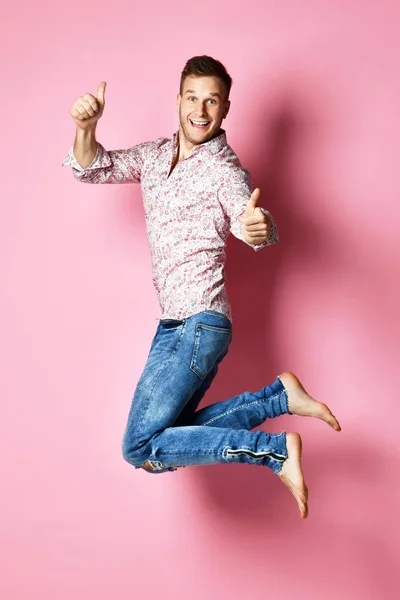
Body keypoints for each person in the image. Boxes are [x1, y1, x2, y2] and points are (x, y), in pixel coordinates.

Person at [62, 55, 341, 519]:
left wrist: (256, 226)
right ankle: (276, 399)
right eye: (192, 97)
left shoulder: (225, 170)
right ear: (178, 100)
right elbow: (92, 167)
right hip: (174, 326)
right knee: (162, 440)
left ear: (226, 108)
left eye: (212, 100)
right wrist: (86, 128)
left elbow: (251, 220)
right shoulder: (153, 156)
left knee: (139, 446)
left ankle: (274, 451)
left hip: (199, 321)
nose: (200, 109)